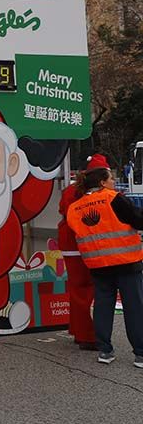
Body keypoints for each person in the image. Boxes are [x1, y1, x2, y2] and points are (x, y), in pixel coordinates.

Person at [66, 156, 143, 367]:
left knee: (102, 306)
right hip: (127, 262)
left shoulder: (75, 208)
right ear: (101, 182)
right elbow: (138, 220)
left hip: (97, 265)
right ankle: (140, 353)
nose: (113, 183)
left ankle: (105, 351)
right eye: (110, 179)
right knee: (134, 306)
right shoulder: (114, 198)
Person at [58, 157, 101, 350]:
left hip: (69, 245)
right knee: (89, 289)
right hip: (85, 245)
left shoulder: (69, 191)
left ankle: (78, 330)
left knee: (77, 290)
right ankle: (87, 336)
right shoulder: (95, 194)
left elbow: (63, 210)